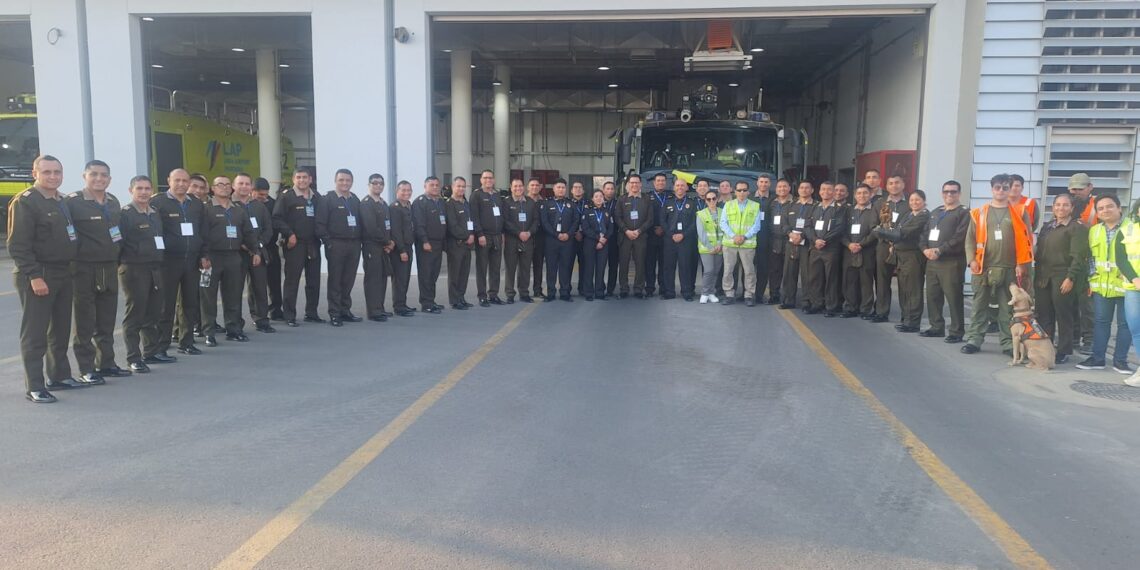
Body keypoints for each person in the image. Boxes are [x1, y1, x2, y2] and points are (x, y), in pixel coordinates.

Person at [9, 155, 96, 402]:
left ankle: (59, 376)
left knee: (60, 329)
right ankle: (35, 386)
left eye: (57, 172)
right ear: (34, 173)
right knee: (35, 333)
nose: (53, 176)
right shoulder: (26, 202)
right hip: (39, 272)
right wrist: (34, 276)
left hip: (63, 272)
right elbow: (18, 246)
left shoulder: (61, 200)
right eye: (47, 172)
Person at [68, 160, 131, 383]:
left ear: (110, 179)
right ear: (85, 176)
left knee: (106, 319)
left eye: (104, 175)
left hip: (108, 266)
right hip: (83, 267)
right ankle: (86, 368)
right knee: (85, 321)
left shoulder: (112, 202)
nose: (99, 179)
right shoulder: (73, 202)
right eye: (94, 174)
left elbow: (118, 232)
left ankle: (106, 363)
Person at [961, 174, 1033, 355]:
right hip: (983, 267)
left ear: (1010, 189)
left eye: (1005, 187)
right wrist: (972, 260)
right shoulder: (979, 213)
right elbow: (970, 239)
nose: (1001, 191)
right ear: (992, 189)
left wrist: (1021, 264)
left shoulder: (1020, 211)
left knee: (1007, 308)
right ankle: (974, 339)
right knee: (979, 306)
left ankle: (1008, 343)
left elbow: (1027, 240)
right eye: (997, 187)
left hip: (1010, 268)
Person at [151, 168, 209, 356]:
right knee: (165, 305)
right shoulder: (158, 202)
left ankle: (187, 342)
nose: (181, 184)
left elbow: (203, 231)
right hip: (168, 262)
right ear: (169, 180)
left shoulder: (196, 205)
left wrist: (204, 255)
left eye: (185, 181)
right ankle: (162, 345)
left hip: (191, 261)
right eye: (177, 180)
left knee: (189, 303)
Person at [201, 176, 260, 344]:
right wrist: (203, 256)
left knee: (233, 295)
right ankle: (208, 332)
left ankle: (233, 329)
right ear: (213, 188)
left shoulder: (238, 210)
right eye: (220, 184)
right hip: (210, 258)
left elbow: (248, 233)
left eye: (227, 185)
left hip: (233, 257)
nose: (225, 187)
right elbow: (201, 234)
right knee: (207, 296)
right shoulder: (206, 209)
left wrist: (255, 251)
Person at [1078, 194, 1132, 373]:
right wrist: (1092, 279)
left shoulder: (1132, 229)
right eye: (1100, 208)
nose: (1105, 211)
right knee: (1101, 322)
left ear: (1119, 208)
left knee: (1125, 324)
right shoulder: (1095, 231)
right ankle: (1098, 358)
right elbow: (1091, 258)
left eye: (1109, 206)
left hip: (1127, 286)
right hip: (1101, 286)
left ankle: (1120, 361)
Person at [1033, 193, 1088, 365]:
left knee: (1063, 314)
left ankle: (1064, 350)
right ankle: (1045, 347)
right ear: (1053, 207)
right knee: (1044, 314)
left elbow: (1078, 256)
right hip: (1043, 275)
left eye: (1065, 205)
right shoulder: (1047, 226)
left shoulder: (1076, 228)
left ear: (1072, 208)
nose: (1061, 208)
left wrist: (1070, 278)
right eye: (1057, 205)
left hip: (1063, 275)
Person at [118, 175, 166, 374]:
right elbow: (118, 242)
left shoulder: (154, 213)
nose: (144, 192)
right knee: (135, 314)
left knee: (153, 312)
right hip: (134, 268)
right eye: (139, 188)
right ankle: (133, 357)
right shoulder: (126, 214)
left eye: (147, 188)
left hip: (155, 267)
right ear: (131, 191)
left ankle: (151, 352)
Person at [919, 180, 971, 342]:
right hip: (932, 261)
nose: (949, 194)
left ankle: (956, 332)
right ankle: (936, 327)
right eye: (946, 191)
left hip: (951, 262)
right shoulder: (936, 212)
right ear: (942, 193)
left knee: (953, 297)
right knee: (933, 295)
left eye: (953, 192)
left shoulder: (963, 212)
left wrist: (940, 250)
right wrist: (925, 249)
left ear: (959, 194)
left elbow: (960, 237)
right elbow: (924, 233)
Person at [874, 190, 931, 332]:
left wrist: (882, 232)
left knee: (913, 289)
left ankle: (913, 322)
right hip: (901, 255)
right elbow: (898, 228)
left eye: (918, 200)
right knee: (904, 288)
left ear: (924, 201)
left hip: (913, 256)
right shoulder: (909, 214)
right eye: (912, 200)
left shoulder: (923, 216)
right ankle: (906, 318)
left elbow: (904, 232)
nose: (914, 202)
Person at [273, 168, 324, 326]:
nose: (302, 180)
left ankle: (311, 313)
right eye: (299, 177)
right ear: (294, 179)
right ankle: (289, 315)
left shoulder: (316, 197)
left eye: (305, 177)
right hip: (295, 244)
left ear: (310, 179)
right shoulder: (287, 196)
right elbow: (277, 219)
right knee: (292, 281)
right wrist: (290, 234)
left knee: (314, 280)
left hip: (313, 243)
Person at [316, 169, 363, 326]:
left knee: (348, 279)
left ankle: (345, 310)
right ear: (335, 181)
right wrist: (328, 242)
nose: (345, 183)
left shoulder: (354, 199)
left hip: (354, 244)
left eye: (348, 180)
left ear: (352, 182)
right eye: (341, 180)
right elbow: (320, 224)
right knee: (335, 280)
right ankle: (334, 313)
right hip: (336, 244)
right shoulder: (327, 199)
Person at [234, 173, 275, 333]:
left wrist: (258, 244)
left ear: (251, 187)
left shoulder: (259, 206)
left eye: (246, 184)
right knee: (235, 289)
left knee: (259, 287)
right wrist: (244, 245)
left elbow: (268, 228)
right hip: (238, 252)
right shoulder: (229, 205)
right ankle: (235, 324)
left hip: (258, 251)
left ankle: (262, 320)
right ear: (234, 186)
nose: (244, 187)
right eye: (240, 183)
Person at [805, 181, 847, 316]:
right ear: (819, 191)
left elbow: (840, 228)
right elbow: (808, 226)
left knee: (831, 278)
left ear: (834, 192)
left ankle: (831, 306)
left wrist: (825, 240)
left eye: (829, 190)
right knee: (815, 277)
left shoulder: (839, 209)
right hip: (815, 248)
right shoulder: (814, 207)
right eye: (823, 189)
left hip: (831, 249)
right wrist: (815, 240)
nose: (826, 192)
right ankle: (816, 303)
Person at [871, 174, 908, 323]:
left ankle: (907, 316)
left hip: (903, 248)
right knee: (882, 281)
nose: (894, 186)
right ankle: (881, 311)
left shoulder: (910, 203)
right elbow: (873, 226)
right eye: (891, 183)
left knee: (904, 282)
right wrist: (888, 237)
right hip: (883, 247)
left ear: (903, 185)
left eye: (897, 182)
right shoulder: (880, 203)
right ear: (886, 186)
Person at [719, 182, 763, 306]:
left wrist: (744, 236)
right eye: (739, 190)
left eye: (744, 190)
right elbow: (723, 223)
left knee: (749, 271)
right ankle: (729, 294)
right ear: (735, 191)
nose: (742, 193)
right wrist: (734, 236)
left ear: (748, 192)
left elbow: (757, 225)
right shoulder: (728, 205)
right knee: (728, 270)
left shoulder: (755, 206)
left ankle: (749, 295)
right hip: (730, 243)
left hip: (747, 243)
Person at [360, 173, 394, 322]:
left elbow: (387, 225)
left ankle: (380, 307)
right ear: (369, 185)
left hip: (383, 246)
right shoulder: (366, 203)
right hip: (372, 246)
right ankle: (373, 311)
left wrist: (389, 241)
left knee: (382, 278)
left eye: (381, 183)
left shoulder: (383, 203)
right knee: (373, 279)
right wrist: (387, 241)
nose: (378, 186)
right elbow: (371, 227)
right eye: (375, 183)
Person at [1069, 172, 1097, 353]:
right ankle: (1073, 338)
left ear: (1090, 187)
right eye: (1073, 189)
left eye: (1080, 189)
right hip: (1072, 261)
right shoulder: (1068, 205)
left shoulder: (1099, 206)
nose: (1076, 192)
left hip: (1090, 261)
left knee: (1087, 305)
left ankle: (1089, 340)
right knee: (1071, 303)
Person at [1112, 208, 1140, 386]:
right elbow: (1121, 259)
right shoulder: (1127, 231)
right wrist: (1135, 279)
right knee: (1136, 329)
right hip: (1134, 287)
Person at [841, 184, 878, 319]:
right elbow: (842, 230)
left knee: (866, 281)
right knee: (850, 280)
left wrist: (861, 244)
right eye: (859, 193)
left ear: (871, 195)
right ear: (855, 195)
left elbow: (875, 231)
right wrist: (849, 244)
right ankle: (851, 307)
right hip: (849, 250)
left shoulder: (874, 211)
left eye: (865, 193)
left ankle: (865, 309)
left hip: (867, 251)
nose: (862, 196)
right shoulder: (849, 211)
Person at [540, 178, 580, 301]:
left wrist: (568, 234)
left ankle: (565, 292)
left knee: (565, 267)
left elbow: (576, 221)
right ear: (554, 189)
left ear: (566, 189)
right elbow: (544, 222)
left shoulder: (571, 204)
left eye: (563, 187)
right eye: (558, 187)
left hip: (567, 241)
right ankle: (551, 293)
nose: (561, 189)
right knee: (551, 267)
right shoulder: (547, 204)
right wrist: (556, 235)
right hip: (551, 240)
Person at [412, 176, 447, 314]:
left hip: (438, 243)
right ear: (425, 186)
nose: (435, 187)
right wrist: (425, 241)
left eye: (437, 185)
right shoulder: (420, 202)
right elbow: (419, 224)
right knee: (426, 274)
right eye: (431, 185)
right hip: (426, 244)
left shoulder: (440, 202)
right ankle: (426, 303)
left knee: (434, 274)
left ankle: (431, 300)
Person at [779, 181, 815, 309]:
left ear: (812, 190)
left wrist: (802, 236)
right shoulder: (791, 205)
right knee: (789, 272)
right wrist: (790, 234)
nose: (804, 190)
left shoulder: (816, 206)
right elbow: (784, 223)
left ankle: (806, 301)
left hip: (807, 244)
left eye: (807, 188)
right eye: (801, 188)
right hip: (791, 243)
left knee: (807, 274)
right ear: (798, 190)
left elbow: (814, 225)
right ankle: (788, 300)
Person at [472, 169, 505, 306]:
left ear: (494, 180)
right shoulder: (476, 195)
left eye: (490, 178)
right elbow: (474, 216)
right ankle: (482, 296)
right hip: (484, 237)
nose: (488, 180)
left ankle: (493, 294)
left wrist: (502, 233)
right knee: (482, 267)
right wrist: (479, 234)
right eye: (485, 178)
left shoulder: (497, 195)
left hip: (497, 236)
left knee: (495, 268)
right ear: (481, 180)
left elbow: (501, 215)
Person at [616, 174, 653, 298]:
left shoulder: (646, 199)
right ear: (628, 185)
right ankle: (623, 288)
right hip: (625, 237)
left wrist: (639, 231)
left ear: (640, 184)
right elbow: (618, 217)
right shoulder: (622, 199)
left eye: (637, 182)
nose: (634, 185)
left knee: (640, 263)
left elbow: (650, 219)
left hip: (640, 237)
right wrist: (626, 230)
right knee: (624, 263)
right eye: (632, 182)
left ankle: (638, 289)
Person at [503, 177, 539, 303]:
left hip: (528, 240)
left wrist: (529, 232)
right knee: (510, 268)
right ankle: (510, 294)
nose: (518, 188)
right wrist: (518, 233)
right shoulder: (506, 202)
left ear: (524, 187)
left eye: (520, 186)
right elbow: (505, 221)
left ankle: (524, 293)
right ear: (511, 187)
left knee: (525, 268)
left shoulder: (530, 202)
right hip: (512, 240)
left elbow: (536, 221)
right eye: (515, 186)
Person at [662, 178, 698, 301]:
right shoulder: (667, 203)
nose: (680, 187)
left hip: (686, 239)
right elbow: (663, 221)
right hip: (669, 239)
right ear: (674, 188)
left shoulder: (692, 203)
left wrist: (683, 235)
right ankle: (669, 292)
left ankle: (687, 292)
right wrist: (671, 234)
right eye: (677, 185)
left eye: (682, 185)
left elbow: (694, 223)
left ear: (687, 188)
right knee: (668, 266)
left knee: (685, 266)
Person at [253, 177, 283, 321]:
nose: (264, 198)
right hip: (253, 249)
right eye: (260, 195)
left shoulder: (272, 203)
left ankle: (276, 309)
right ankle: (257, 313)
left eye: (266, 195)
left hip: (270, 246)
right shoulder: (247, 205)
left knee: (275, 280)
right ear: (253, 192)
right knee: (256, 284)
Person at [445, 176, 476, 310]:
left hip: (467, 245)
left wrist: (472, 234)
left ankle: (461, 297)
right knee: (455, 274)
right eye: (458, 186)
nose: (461, 189)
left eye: (463, 186)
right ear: (453, 187)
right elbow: (453, 226)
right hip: (456, 244)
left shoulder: (465, 203)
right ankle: (454, 300)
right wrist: (467, 236)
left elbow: (470, 222)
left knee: (464, 273)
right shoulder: (449, 204)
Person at [389, 181, 416, 317]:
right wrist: (401, 250)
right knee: (399, 278)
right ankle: (398, 306)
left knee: (405, 278)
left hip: (408, 247)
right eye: (403, 190)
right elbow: (396, 231)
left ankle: (403, 303)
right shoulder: (395, 208)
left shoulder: (408, 205)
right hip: (401, 249)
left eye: (409, 190)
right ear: (397, 191)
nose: (407, 193)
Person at [581, 189, 613, 301]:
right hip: (590, 243)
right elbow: (585, 228)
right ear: (592, 199)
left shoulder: (607, 212)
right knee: (589, 268)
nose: (599, 198)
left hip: (604, 243)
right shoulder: (587, 212)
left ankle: (599, 292)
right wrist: (598, 238)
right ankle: (588, 293)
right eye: (596, 196)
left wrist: (603, 239)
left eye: (600, 196)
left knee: (601, 268)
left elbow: (610, 228)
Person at [766, 178, 794, 305]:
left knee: (789, 271)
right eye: (779, 187)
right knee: (774, 270)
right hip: (774, 240)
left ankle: (788, 297)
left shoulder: (795, 203)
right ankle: (774, 295)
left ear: (789, 188)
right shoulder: (772, 203)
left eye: (784, 186)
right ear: (776, 189)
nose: (782, 189)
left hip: (789, 241)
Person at [696, 189, 724, 304]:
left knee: (716, 271)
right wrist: (710, 246)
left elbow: (726, 230)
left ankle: (712, 292)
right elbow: (701, 232)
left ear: (717, 199)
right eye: (709, 199)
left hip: (720, 247)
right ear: (705, 201)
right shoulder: (701, 214)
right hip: (706, 248)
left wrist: (720, 245)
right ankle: (704, 293)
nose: (711, 201)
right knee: (709, 270)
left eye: (713, 198)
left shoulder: (723, 212)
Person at [645, 173, 669, 297]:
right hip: (651, 235)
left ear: (666, 182)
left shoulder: (671, 196)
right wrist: (654, 228)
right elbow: (645, 216)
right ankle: (649, 288)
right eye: (658, 180)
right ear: (654, 183)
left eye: (663, 181)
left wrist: (664, 229)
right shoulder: (647, 197)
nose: (660, 182)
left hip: (666, 235)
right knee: (650, 263)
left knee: (664, 264)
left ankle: (663, 288)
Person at [752, 174, 772, 303]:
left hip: (766, 239)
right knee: (747, 267)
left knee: (763, 268)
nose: (763, 184)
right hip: (750, 238)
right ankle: (746, 293)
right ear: (757, 184)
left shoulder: (774, 199)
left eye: (766, 182)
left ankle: (759, 295)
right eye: (761, 182)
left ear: (769, 184)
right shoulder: (748, 198)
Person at [527, 178, 547, 298]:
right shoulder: (523, 201)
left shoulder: (544, 202)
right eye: (532, 185)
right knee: (524, 265)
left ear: (540, 187)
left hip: (540, 237)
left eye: (537, 185)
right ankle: (523, 290)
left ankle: (537, 290)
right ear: (527, 187)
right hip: (526, 236)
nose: (534, 187)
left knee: (538, 265)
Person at [601, 180, 620, 297]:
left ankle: (610, 289)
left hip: (614, 239)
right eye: (607, 189)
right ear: (603, 190)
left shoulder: (619, 203)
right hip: (600, 239)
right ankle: (600, 287)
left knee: (613, 265)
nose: (610, 191)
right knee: (600, 265)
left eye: (612, 189)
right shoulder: (597, 202)